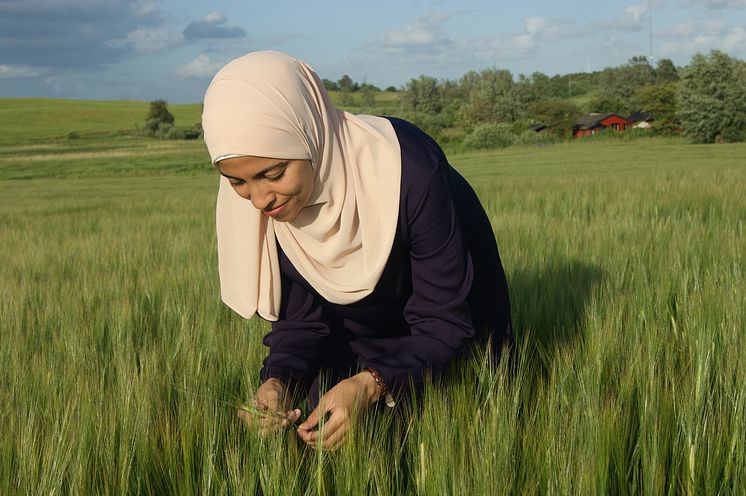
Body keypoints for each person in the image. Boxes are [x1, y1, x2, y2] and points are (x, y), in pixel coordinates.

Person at [201, 51, 511, 451]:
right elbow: (301, 324)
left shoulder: (411, 173)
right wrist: (277, 380)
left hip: (453, 329)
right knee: (321, 432)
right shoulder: (270, 203)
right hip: (355, 334)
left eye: (273, 173)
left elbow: (444, 323)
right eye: (237, 182)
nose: (258, 199)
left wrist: (372, 383)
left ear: (310, 134)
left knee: (454, 433)